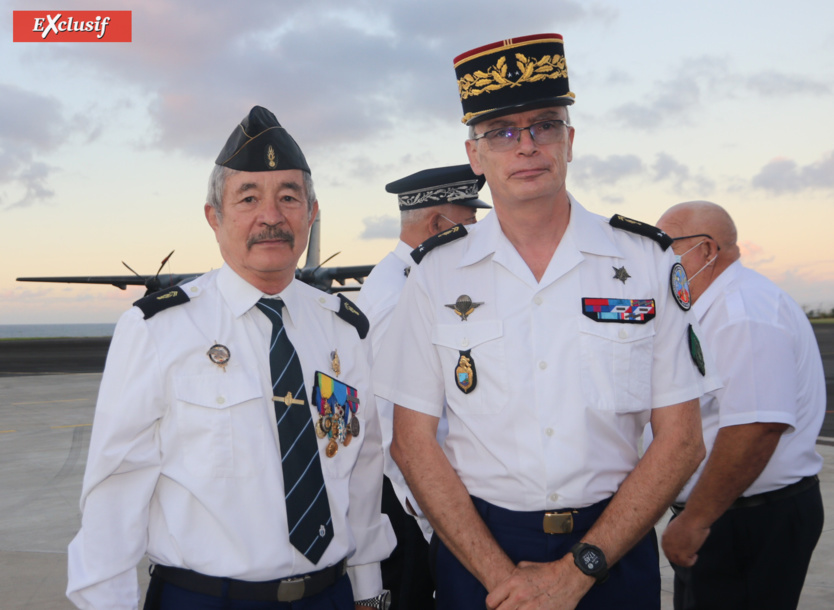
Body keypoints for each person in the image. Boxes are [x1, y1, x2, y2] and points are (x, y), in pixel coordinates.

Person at [373, 33, 708, 610]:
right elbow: (411, 444)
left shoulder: (646, 261)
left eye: (544, 125)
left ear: (570, 141)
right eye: (502, 132)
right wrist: (501, 577)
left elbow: (682, 439)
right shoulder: (435, 276)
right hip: (479, 555)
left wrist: (580, 570)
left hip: (613, 551)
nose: (526, 145)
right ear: (475, 156)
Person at [67, 106, 395, 610]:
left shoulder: (344, 330)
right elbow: (115, 490)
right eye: (248, 198)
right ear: (213, 216)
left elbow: (363, 467)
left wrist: (368, 591)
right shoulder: (158, 329)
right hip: (204, 598)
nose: (271, 216)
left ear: (311, 213)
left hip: (328, 594)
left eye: (289, 197)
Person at [656, 200, 825, 610]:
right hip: (728, 513)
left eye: (666, 245)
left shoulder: (743, 312)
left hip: (743, 519)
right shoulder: (712, 308)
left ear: (707, 250)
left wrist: (695, 520)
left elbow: (756, 427)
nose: (657, 258)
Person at [357, 165, 490, 609]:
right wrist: (435, 518)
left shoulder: (408, 280)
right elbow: (392, 419)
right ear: (438, 225)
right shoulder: (399, 295)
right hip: (412, 503)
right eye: (469, 223)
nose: (477, 234)